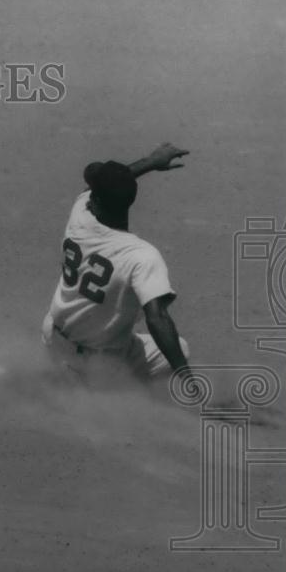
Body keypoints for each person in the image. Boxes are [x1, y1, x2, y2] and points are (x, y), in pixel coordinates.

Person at [42, 142, 193, 389]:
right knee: (181, 348)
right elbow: (158, 319)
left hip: (53, 339)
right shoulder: (141, 256)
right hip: (98, 365)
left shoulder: (79, 214)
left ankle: (69, 376)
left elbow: (98, 188)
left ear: (95, 201)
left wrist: (151, 160)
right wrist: (187, 378)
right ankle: (107, 391)